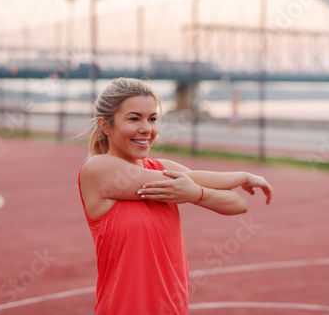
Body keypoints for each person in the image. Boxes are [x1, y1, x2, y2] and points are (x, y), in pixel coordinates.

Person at [77, 77, 273, 315]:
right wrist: (241, 176)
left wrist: (196, 194)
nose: (146, 129)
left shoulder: (161, 166)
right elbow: (191, 180)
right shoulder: (98, 169)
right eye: (134, 118)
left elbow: (238, 203)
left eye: (152, 119)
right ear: (105, 125)